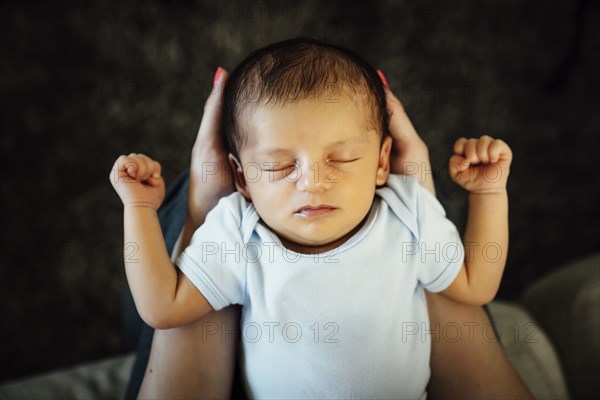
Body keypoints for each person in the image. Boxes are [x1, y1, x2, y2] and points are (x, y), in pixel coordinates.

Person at [115, 39, 532, 398]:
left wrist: (489, 193)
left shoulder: (408, 212)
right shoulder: (238, 232)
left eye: (343, 158)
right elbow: (162, 308)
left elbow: (477, 285)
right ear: (240, 177)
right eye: (279, 167)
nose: (313, 182)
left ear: (383, 161)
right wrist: (139, 210)